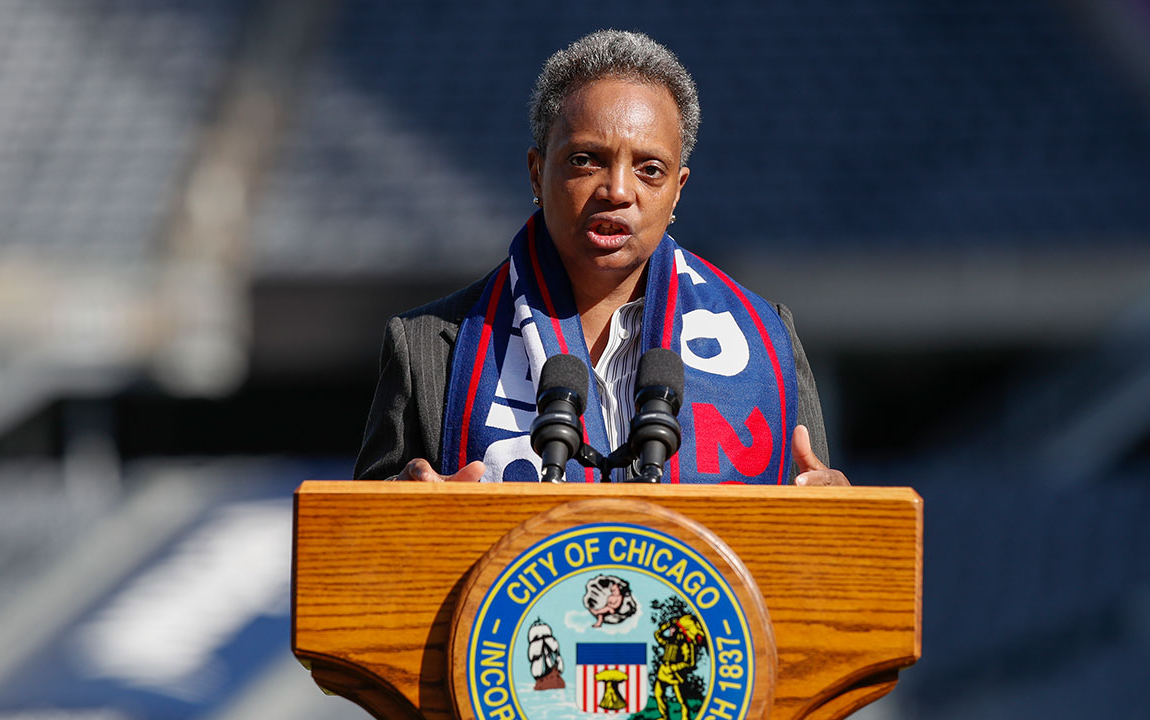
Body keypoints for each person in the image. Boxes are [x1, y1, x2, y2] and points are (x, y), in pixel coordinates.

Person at [354, 30, 847, 487]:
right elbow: (349, 557)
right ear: (536, 172)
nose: (617, 191)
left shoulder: (768, 337)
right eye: (586, 160)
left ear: (678, 191)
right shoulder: (430, 347)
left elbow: (824, 549)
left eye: (650, 169)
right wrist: (401, 512)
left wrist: (845, 520)